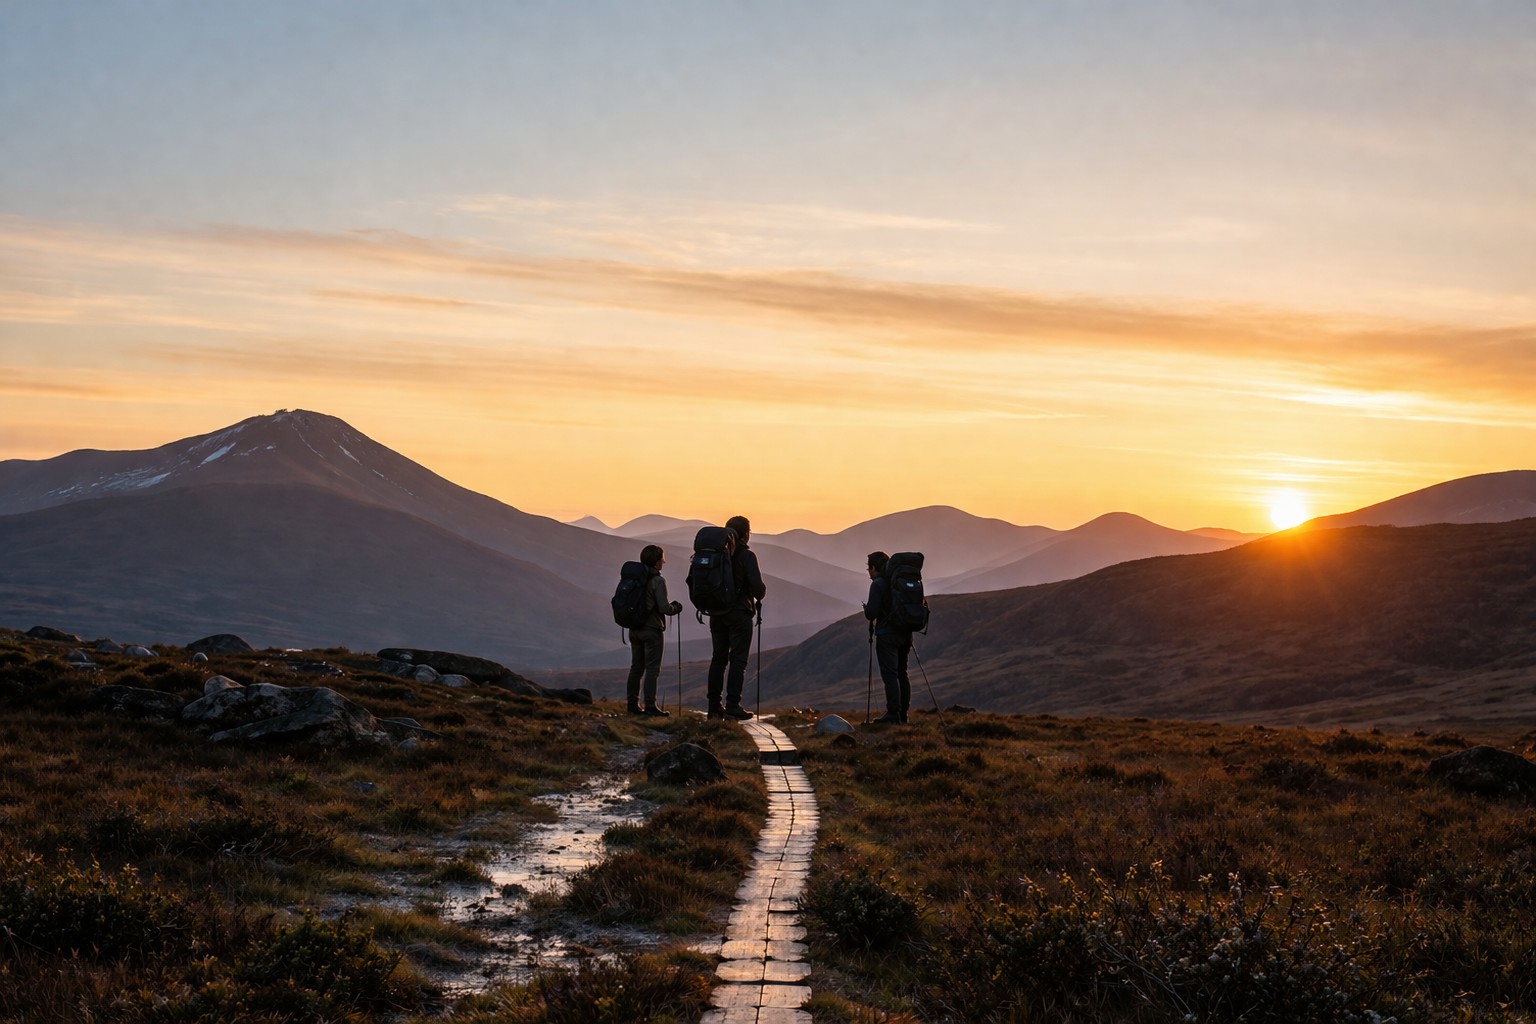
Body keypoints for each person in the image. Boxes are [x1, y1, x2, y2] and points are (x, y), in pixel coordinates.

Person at [707, 515, 766, 719]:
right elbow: (758, 590)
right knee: (738, 660)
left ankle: (714, 707)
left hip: (716, 612)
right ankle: (733, 705)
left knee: (718, 659)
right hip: (739, 613)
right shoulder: (747, 556)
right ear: (746, 535)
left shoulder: (717, 553)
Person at [626, 544, 683, 716]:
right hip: (651, 630)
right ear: (657, 562)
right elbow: (664, 607)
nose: (663, 563)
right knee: (652, 669)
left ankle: (632, 705)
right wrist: (676, 608)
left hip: (634, 628)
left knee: (636, 667)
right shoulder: (658, 581)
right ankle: (650, 706)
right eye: (662, 559)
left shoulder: (634, 578)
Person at [863, 551, 911, 724]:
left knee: (890, 675)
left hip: (887, 635)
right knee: (902, 673)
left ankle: (893, 714)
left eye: (868, 568)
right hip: (906, 633)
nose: (868, 572)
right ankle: (903, 714)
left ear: (874, 568)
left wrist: (866, 609)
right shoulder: (897, 581)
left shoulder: (878, 584)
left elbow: (871, 613)